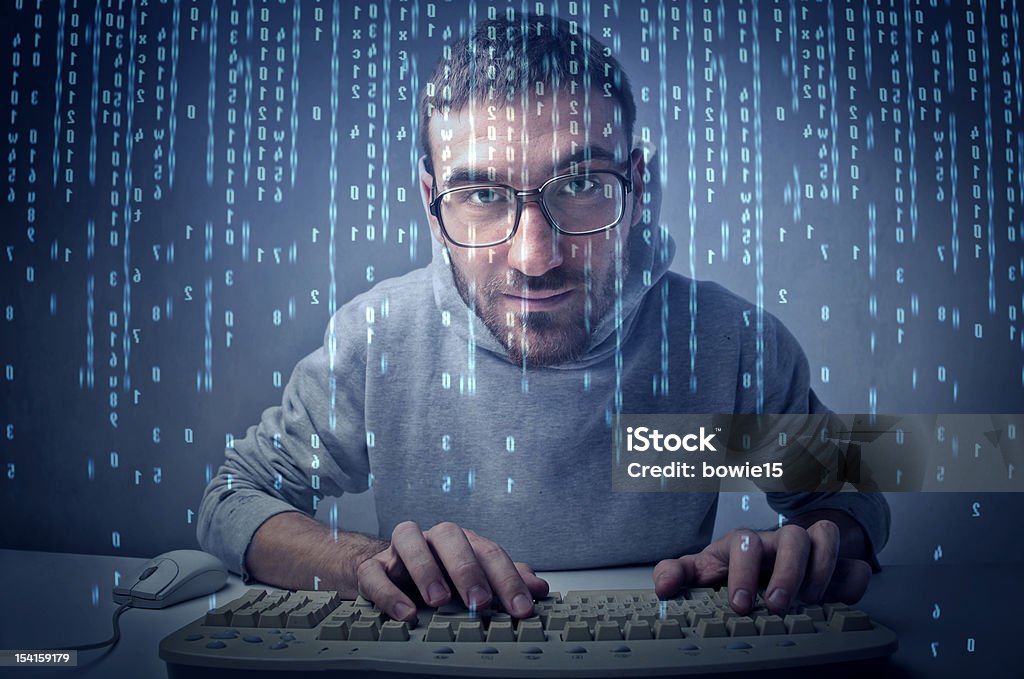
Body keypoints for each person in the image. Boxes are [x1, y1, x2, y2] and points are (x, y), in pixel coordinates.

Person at [197, 13, 889, 625]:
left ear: (639, 184)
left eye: (582, 184)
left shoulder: (726, 343)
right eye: (480, 193)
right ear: (430, 202)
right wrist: (362, 563)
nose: (535, 256)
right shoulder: (377, 339)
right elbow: (232, 498)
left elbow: (854, 496)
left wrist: (817, 542)